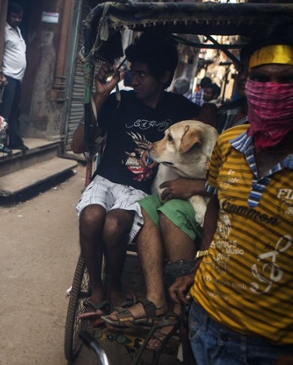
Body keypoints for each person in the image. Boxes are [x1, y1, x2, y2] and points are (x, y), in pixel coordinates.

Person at [169, 18, 293, 364]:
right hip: (202, 320)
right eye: (262, 79)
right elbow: (217, 205)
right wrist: (200, 267)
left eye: (291, 80)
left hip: (273, 350)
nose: (274, 89)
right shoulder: (230, 143)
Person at [71, 32, 201, 320]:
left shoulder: (180, 108)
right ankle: (96, 290)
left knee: (114, 225)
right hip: (106, 179)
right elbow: (77, 145)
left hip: (139, 188)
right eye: (132, 72)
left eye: (142, 74)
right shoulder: (120, 102)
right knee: (91, 216)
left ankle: (115, 288)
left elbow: (208, 122)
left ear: (164, 76)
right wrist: (101, 95)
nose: (134, 80)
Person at [1, 2, 29, 151]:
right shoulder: (4, 30)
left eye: (20, 17)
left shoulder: (17, 31)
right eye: (14, 16)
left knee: (15, 112)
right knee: (5, 112)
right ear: (8, 15)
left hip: (17, 79)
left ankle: (15, 141)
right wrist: (0, 74)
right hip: (8, 76)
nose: (17, 19)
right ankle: (1, 143)